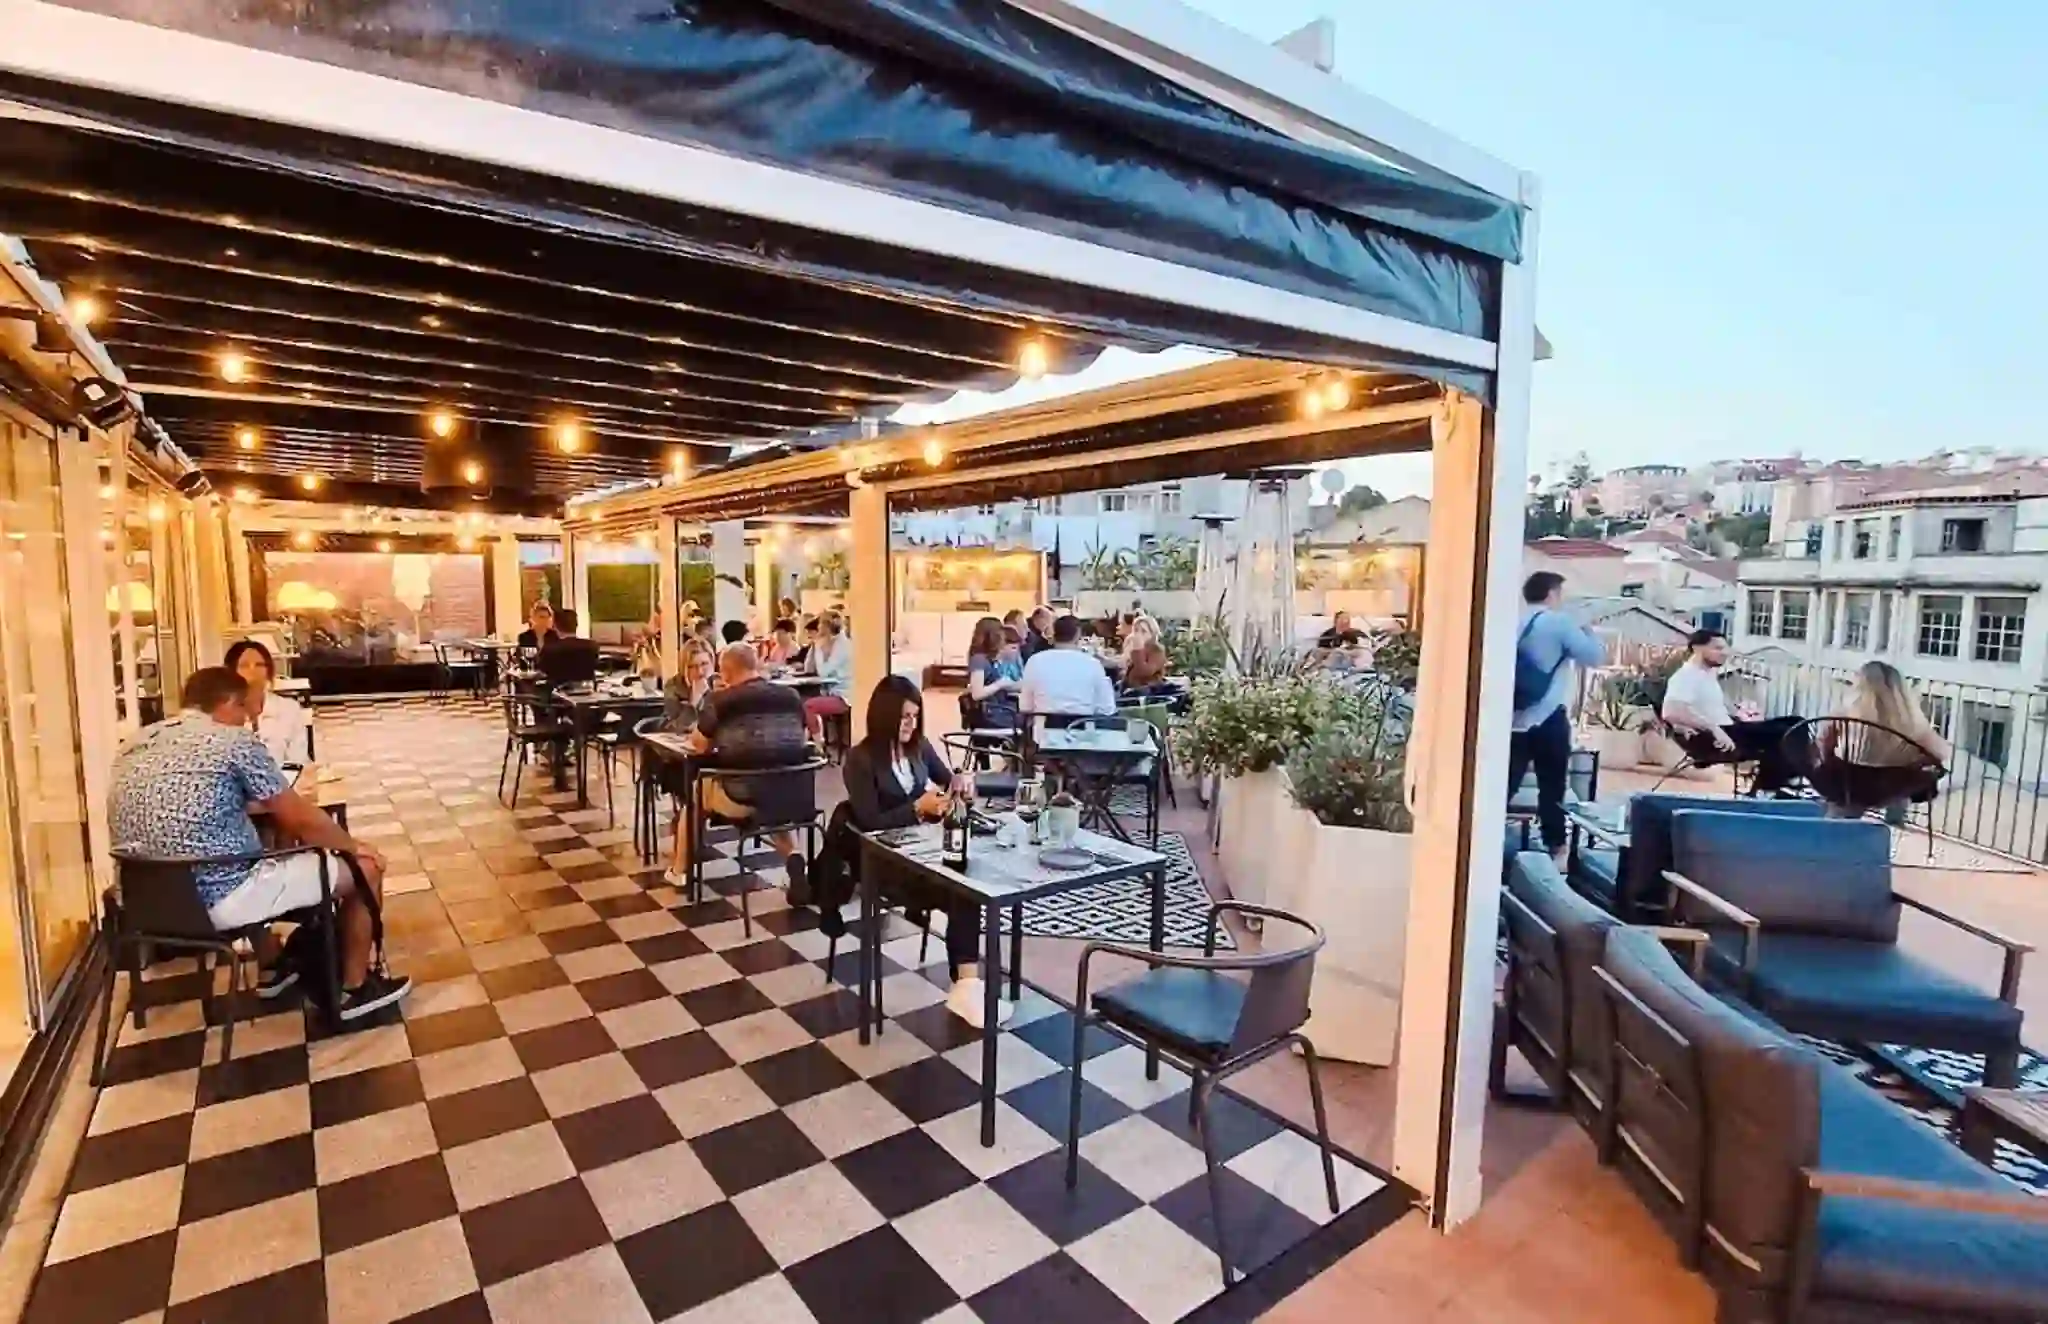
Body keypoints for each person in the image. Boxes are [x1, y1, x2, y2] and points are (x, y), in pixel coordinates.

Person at [107, 667, 409, 1019]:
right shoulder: (232, 742)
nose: (248, 724)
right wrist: (353, 847)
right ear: (230, 703)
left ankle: (273, 963)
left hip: (141, 903)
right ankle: (353, 992)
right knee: (365, 869)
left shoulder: (134, 744)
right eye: (246, 714)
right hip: (219, 899)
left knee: (250, 850)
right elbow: (300, 819)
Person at [840, 676, 1009, 1028]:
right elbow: (869, 823)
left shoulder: (919, 748)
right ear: (884, 716)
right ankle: (967, 987)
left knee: (967, 882)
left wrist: (960, 784)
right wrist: (917, 808)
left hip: (922, 854)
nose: (911, 724)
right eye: (904, 717)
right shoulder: (860, 759)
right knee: (961, 888)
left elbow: (948, 779)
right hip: (882, 863)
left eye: (915, 716)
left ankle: (967, 985)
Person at [674, 644, 812, 893]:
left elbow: (700, 745)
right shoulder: (791, 696)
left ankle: (679, 871)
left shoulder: (721, 701)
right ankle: (794, 856)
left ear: (725, 672)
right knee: (772, 796)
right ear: (755, 665)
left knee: (696, 792)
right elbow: (802, 738)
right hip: (793, 792)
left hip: (743, 796)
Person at [1508, 573, 1605, 859]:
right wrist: (1587, 627)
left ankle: (1483, 840)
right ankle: (1556, 847)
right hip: (1547, 716)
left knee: (1505, 784)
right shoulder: (1559, 622)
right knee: (1552, 786)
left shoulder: (1513, 621)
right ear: (1552, 594)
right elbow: (1594, 657)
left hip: (1511, 716)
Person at [1661, 629, 1804, 792]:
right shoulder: (1686, 676)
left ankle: (1773, 784)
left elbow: (1707, 708)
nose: (1725, 653)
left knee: (1797, 723)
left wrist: (1738, 716)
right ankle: (1767, 788)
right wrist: (1714, 729)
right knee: (1785, 734)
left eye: (1725, 648)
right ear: (1697, 648)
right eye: (1718, 648)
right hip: (1712, 739)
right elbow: (1670, 711)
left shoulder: (1706, 674)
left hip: (1729, 729)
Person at [1817, 660, 1951, 820]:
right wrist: (1912, 763)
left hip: (1850, 785)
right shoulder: (1911, 721)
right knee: (1907, 777)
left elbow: (1824, 744)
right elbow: (1938, 754)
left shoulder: (1845, 713)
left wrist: (1832, 761)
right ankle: (1895, 819)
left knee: (1841, 780)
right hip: (1892, 789)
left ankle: (1838, 822)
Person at [225, 639, 310, 774]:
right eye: (244, 665)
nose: (252, 671)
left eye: (259, 665)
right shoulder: (221, 713)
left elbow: (298, 760)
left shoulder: (289, 709)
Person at [1019, 613, 1115, 717]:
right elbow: (1107, 708)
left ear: (1054, 634)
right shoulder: (1093, 664)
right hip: (1083, 725)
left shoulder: (1034, 661)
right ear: (1078, 635)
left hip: (1043, 725)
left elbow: (1025, 706)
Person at [965, 615, 1021, 731]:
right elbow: (977, 694)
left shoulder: (990, 659)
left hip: (999, 710)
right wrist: (1000, 684)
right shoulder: (979, 660)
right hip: (992, 714)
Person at [804, 610, 854, 737]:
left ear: (827, 626)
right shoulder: (833, 643)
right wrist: (814, 647)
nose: (818, 627)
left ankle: (818, 743)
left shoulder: (843, 646)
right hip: (831, 691)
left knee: (808, 706)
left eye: (820, 623)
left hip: (844, 696)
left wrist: (818, 647)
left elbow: (823, 672)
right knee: (802, 700)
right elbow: (808, 668)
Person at [538, 606, 600, 686]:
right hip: (586, 690)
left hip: (557, 691)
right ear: (576, 625)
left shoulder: (549, 649)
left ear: (555, 626)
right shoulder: (592, 646)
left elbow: (541, 670)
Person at [1119, 614, 1171, 694]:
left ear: (1152, 634)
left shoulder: (1157, 650)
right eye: (1136, 630)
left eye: (1143, 631)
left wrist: (1137, 649)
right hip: (1129, 689)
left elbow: (1144, 672)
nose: (1138, 634)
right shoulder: (1132, 646)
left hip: (1148, 691)